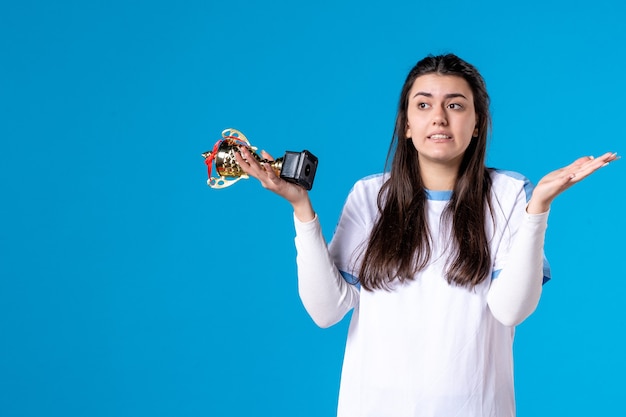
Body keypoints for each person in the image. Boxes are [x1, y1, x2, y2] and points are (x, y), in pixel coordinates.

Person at [233, 53, 619, 417]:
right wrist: (302, 210)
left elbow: (511, 310)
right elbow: (326, 311)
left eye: (455, 105)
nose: (438, 118)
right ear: (406, 124)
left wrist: (538, 210)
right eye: (423, 105)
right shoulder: (370, 196)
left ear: (478, 122)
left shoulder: (508, 194)